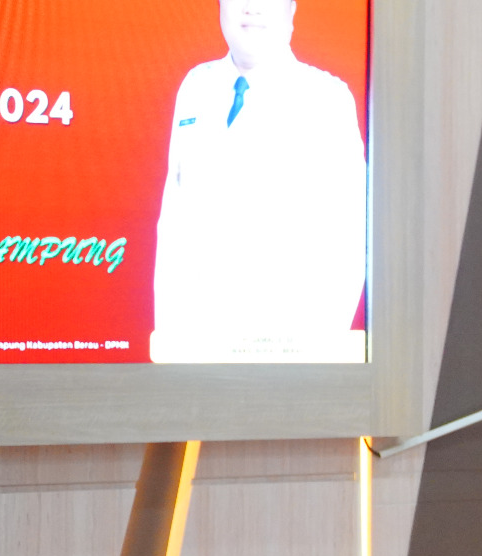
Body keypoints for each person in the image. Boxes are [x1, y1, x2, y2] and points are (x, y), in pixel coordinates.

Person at [153, 0, 366, 358]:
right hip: (195, 351)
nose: (250, 8)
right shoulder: (195, 86)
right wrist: (171, 344)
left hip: (284, 358)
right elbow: (173, 224)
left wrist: (308, 364)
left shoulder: (326, 99)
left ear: (291, 9)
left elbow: (347, 241)